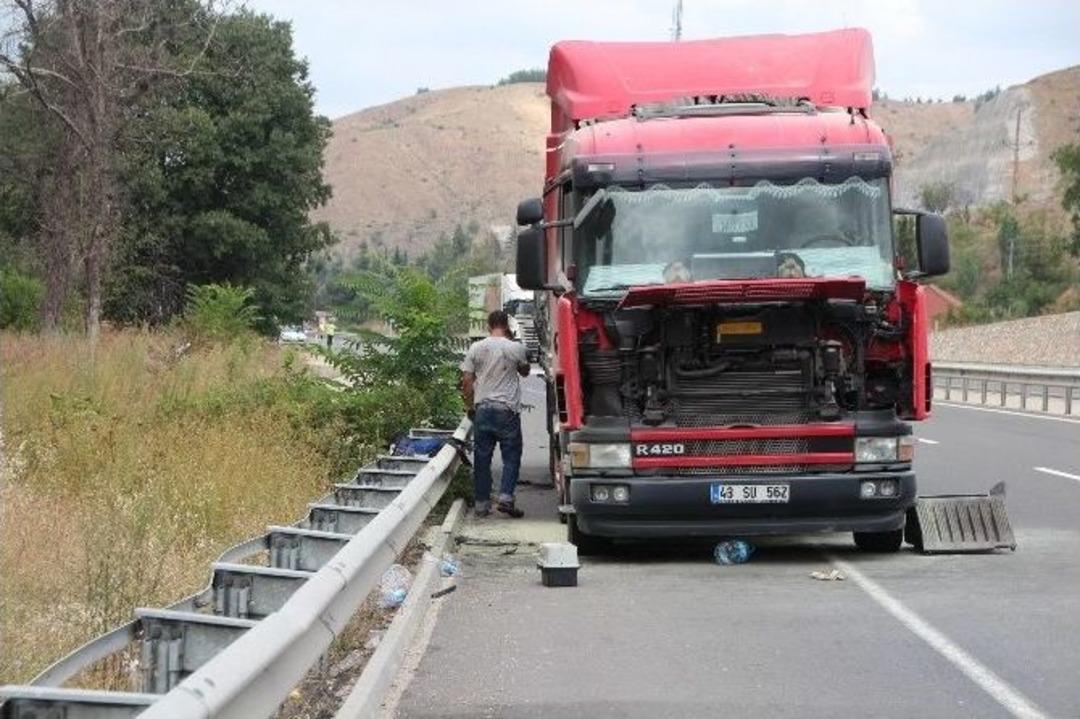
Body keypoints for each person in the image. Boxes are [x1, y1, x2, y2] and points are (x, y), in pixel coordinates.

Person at [461, 310, 531, 518]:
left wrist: (469, 406)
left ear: (488, 325)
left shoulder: (476, 347)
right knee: (511, 455)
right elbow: (525, 371)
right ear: (507, 325)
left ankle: (482, 505)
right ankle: (506, 497)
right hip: (507, 410)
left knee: (482, 459)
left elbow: (466, 381)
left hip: (483, 409)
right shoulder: (515, 347)